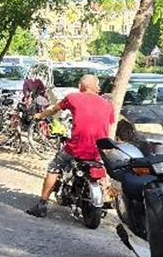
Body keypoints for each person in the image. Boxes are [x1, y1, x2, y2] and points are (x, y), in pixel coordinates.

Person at [25, 74, 115, 217]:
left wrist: (39, 116)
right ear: (96, 87)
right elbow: (108, 124)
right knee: (102, 169)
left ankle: (42, 204)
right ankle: (107, 197)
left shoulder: (73, 98)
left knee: (54, 167)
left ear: (80, 86)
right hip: (99, 150)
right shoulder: (107, 104)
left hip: (76, 148)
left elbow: (54, 110)